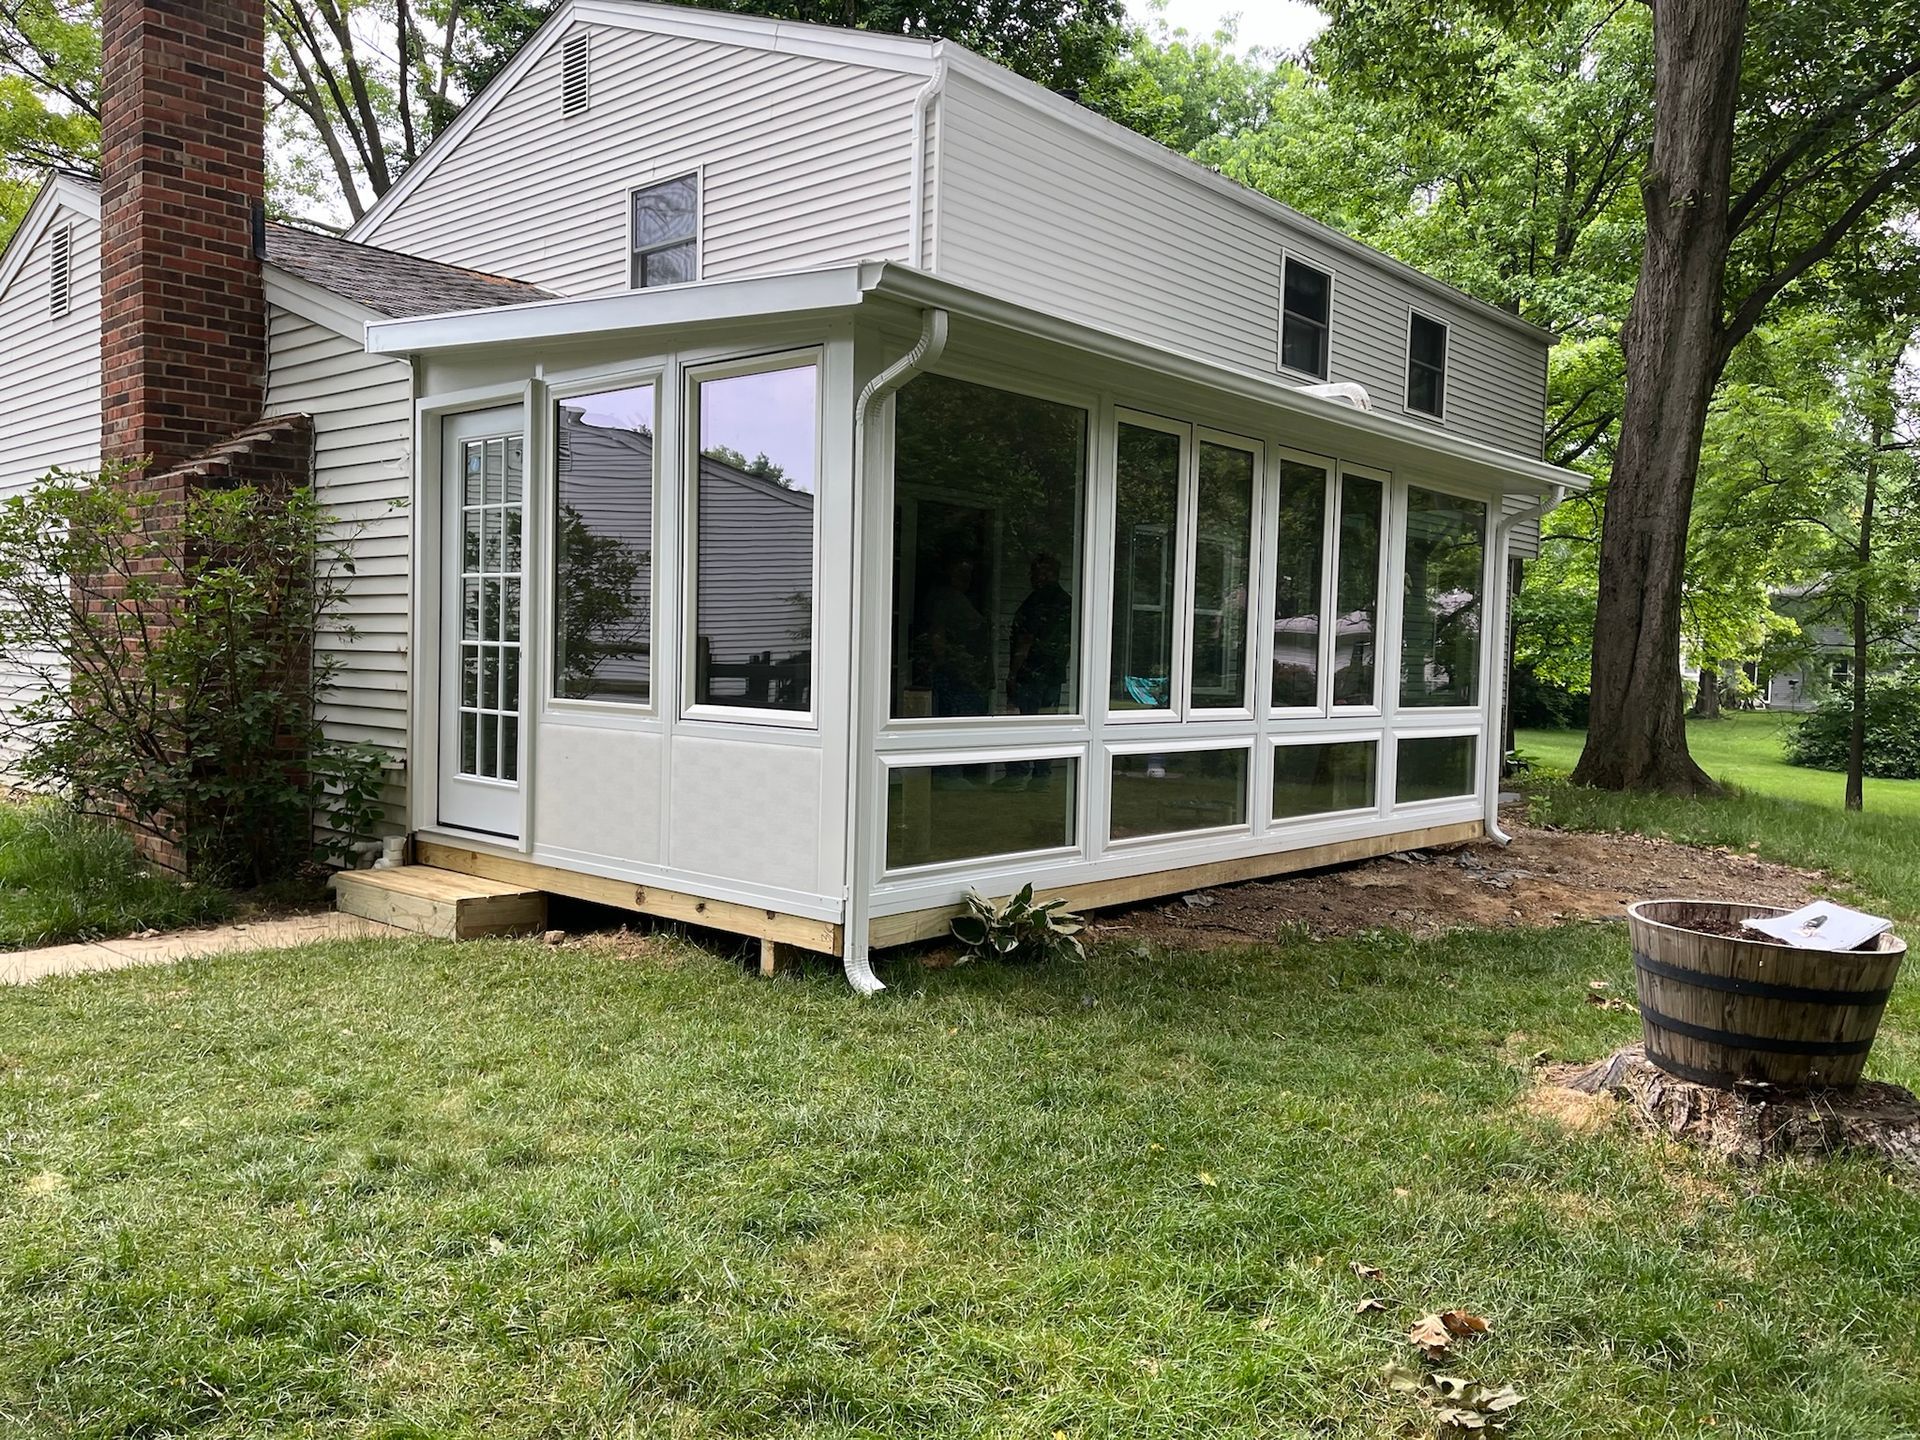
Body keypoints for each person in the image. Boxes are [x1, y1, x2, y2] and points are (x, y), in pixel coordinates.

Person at [1001, 552, 1072, 787]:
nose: (1032, 577)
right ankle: (1042, 775)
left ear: (1048, 574)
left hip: (1032, 673)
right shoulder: (1067, 602)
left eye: (1036, 572)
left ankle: (1017, 773)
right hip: (1054, 674)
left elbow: (1026, 640)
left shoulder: (1037, 602)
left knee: (1024, 722)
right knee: (1047, 723)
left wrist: (1013, 673)